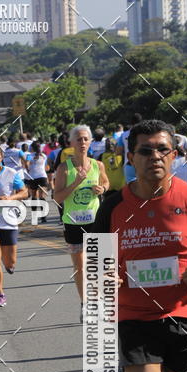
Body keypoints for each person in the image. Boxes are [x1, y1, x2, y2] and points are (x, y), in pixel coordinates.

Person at [94, 119, 187, 372]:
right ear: (130, 158)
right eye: (146, 150)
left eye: (162, 149)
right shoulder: (112, 206)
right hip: (134, 316)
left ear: (175, 154)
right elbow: (97, 263)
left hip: (184, 314)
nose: (155, 157)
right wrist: (106, 275)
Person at [53, 124, 110, 320]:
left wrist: (103, 189)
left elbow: (106, 182)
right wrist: (76, 183)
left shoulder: (97, 165)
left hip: (96, 221)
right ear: (71, 143)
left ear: (91, 141)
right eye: (79, 139)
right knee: (81, 267)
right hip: (73, 223)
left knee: (100, 266)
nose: (83, 142)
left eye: (86, 139)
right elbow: (57, 198)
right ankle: (85, 303)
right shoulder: (64, 168)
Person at [0, 143, 29, 306]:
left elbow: (24, 192)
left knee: (10, 262)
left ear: (2, 158)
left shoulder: (11, 173)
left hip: (8, 222)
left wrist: (10, 198)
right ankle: (0, 294)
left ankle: (9, 265)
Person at [23, 140, 49, 221]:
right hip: (42, 176)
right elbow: (47, 167)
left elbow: (26, 164)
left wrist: (28, 169)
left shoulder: (29, 155)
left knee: (34, 196)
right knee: (42, 197)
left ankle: (34, 217)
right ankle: (43, 217)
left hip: (33, 177)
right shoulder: (44, 156)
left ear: (32, 148)